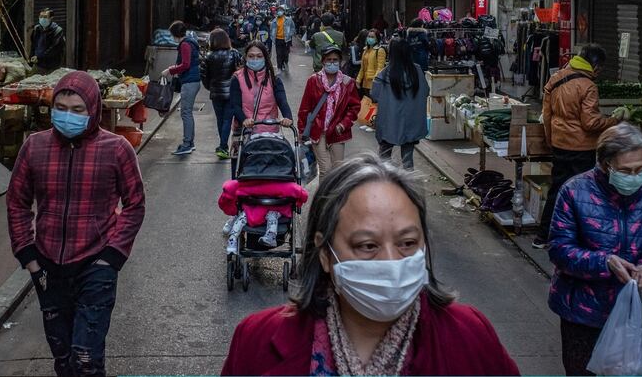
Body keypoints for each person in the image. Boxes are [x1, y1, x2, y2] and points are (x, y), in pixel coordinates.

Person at [222, 154, 521, 376]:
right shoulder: (256, 341)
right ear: (325, 253)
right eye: (367, 246)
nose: (391, 261)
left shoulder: (470, 336)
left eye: (407, 243)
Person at [7, 71, 145, 377]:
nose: (67, 116)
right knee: (63, 355)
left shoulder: (116, 148)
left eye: (77, 110)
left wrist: (111, 258)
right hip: (47, 268)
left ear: (92, 110)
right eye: (61, 108)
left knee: (86, 358)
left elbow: (135, 204)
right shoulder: (34, 147)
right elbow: (17, 202)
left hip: (96, 266)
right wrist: (28, 256)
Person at [548, 123, 642, 376]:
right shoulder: (574, 192)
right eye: (626, 170)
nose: (635, 176)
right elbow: (559, 249)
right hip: (582, 314)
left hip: (635, 313)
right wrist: (605, 262)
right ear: (606, 165)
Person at [532, 44, 618, 249]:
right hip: (581, 148)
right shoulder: (588, 85)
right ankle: (579, 239)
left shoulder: (556, 78)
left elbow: (547, 116)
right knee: (584, 193)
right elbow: (590, 123)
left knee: (557, 189)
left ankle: (542, 237)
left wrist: (550, 140)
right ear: (595, 66)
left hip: (560, 144)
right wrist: (613, 121)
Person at [229, 41, 293, 178]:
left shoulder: (274, 79)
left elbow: (282, 101)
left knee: (269, 169)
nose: (255, 59)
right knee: (239, 167)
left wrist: (288, 117)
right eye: (251, 56)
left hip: (269, 131)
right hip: (244, 131)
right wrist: (244, 119)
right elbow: (235, 105)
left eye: (259, 56)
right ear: (245, 57)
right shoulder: (237, 78)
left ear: (265, 57)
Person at [297, 46, 361, 181]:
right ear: (323, 61)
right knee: (325, 170)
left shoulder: (348, 82)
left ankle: (335, 200)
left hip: (338, 132)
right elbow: (305, 108)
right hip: (317, 131)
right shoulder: (313, 80)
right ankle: (324, 200)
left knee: (338, 171)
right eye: (329, 60)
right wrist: (302, 130)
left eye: (335, 60)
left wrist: (343, 125)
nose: (332, 63)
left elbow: (354, 107)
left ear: (340, 61)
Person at [371, 38, 428, 171]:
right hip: (411, 124)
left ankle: (386, 185)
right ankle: (409, 187)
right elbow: (426, 91)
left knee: (384, 159)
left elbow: (375, 95)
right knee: (408, 160)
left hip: (388, 123)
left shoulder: (384, 74)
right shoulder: (417, 71)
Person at [201, 28, 243, 159]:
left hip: (215, 93)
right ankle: (223, 146)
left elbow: (204, 76)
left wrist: (211, 87)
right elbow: (241, 71)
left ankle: (223, 146)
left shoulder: (208, 56)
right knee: (227, 120)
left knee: (220, 120)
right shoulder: (234, 54)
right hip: (231, 93)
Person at [162, 21, 201, 156]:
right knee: (187, 112)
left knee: (186, 112)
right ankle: (190, 142)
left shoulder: (185, 44)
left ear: (175, 34)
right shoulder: (191, 42)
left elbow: (185, 64)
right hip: (193, 80)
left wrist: (170, 70)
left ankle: (187, 143)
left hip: (190, 81)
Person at [29, 8, 66, 74]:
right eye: (41, 17)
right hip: (37, 64)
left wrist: (39, 57)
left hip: (52, 66)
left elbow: (54, 49)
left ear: (51, 18)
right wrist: (31, 57)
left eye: (45, 17)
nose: (42, 19)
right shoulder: (36, 29)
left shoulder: (57, 30)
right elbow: (33, 45)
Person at [355, 29, 386, 104]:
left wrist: (376, 82)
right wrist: (358, 80)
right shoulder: (365, 50)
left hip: (373, 83)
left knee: (373, 105)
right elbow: (362, 68)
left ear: (377, 39)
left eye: (372, 37)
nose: (370, 38)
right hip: (365, 83)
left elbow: (380, 68)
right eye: (369, 36)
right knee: (366, 105)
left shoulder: (380, 50)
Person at [273, 8, 296, 72]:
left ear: (283, 11)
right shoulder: (274, 21)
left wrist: (290, 34)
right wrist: (273, 38)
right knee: (279, 54)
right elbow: (272, 29)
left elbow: (293, 28)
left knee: (286, 54)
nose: (279, 12)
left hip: (286, 40)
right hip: (278, 39)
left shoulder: (288, 20)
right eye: (278, 11)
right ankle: (279, 68)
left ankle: (285, 63)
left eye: (281, 10)